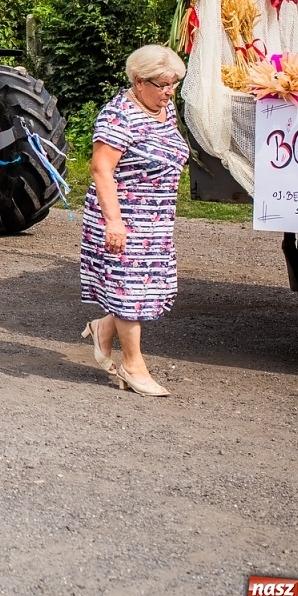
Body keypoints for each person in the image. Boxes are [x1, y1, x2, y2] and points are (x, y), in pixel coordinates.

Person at [80, 44, 190, 397]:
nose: (169, 92)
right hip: (122, 217)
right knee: (131, 293)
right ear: (138, 81)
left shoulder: (163, 108)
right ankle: (133, 365)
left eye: (173, 84)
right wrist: (114, 222)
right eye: (162, 84)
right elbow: (101, 169)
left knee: (151, 288)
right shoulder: (118, 116)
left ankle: (103, 328)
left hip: (155, 219)